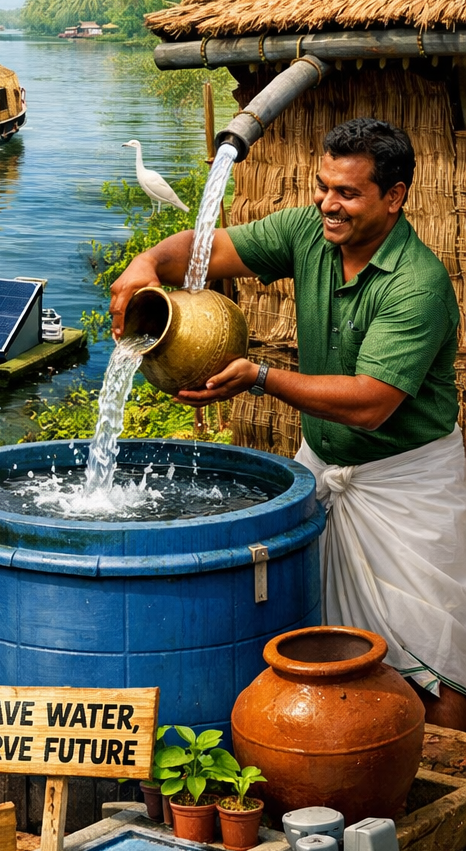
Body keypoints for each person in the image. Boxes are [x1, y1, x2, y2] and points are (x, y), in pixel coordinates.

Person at [109, 117, 466, 729]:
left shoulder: (418, 284)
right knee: (312, 644)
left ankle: (444, 798)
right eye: (323, 186)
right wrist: (147, 263)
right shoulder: (307, 231)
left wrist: (260, 378)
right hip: (323, 469)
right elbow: (205, 250)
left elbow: (371, 402)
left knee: (434, 664)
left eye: (348, 193)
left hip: (409, 490)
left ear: (395, 197)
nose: (329, 203)